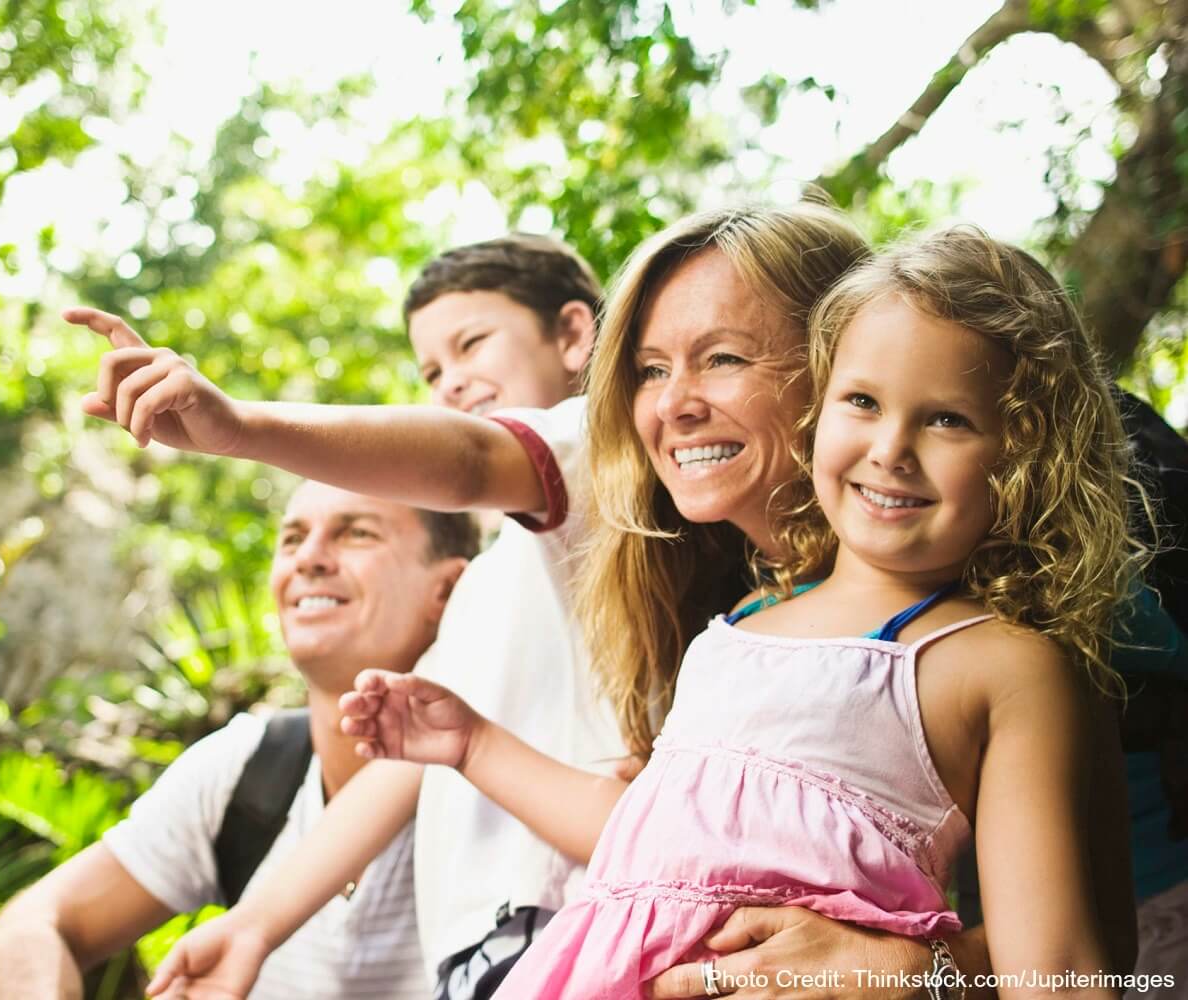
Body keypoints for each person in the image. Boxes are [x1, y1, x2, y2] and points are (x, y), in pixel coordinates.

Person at [344, 226, 1139, 998]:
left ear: (1026, 455)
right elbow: (656, 847)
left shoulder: (999, 660)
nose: (891, 448)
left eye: (947, 419)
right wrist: (472, 743)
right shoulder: (740, 627)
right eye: (861, 401)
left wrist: (924, 975)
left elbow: (1067, 967)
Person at [67, 235, 628, 1000]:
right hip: (477, 966)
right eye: (432, 370)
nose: (454, 382)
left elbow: (468, 459)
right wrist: (256, 925)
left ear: (572, 334)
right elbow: (406, 762)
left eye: (472, 345)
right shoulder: (491, 582)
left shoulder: (604, 454)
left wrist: (241, 429)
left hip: (572, 932)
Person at [0, 481, 479, 1000]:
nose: (309, 558)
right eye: (292, 539)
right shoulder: (250, 770)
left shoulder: (504, 784)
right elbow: (29, 928)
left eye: (357, 533)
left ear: (450, 589)